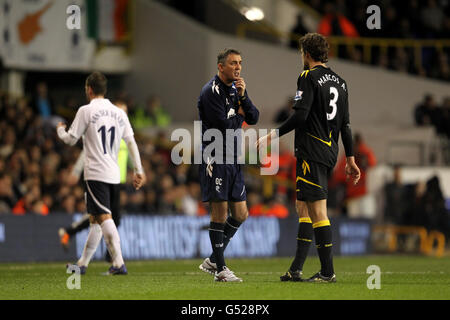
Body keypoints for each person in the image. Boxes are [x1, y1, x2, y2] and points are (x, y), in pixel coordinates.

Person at [257, 33, 360, 283]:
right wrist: (350, 158)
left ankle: (327, 272)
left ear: (307, 54)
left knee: (318, 211)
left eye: (301, 53)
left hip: (311, 151)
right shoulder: (341, 82)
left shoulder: (308, 76)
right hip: (329, 152)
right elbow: (345, 125)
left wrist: (272, 134)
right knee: (302, 206)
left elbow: (301, 116)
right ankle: (296, 269)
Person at [57, 72, 146, 275]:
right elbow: (131, 142)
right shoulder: (119, 112)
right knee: (95, 219)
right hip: (115, 174)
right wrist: (139, 170)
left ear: (89, 89)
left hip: (96, 173)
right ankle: (81, 264)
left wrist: (60, 130)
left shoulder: (86, 110)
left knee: (104, 217)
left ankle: (118, 262)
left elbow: (71, 139)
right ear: (105, 90)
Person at [197, 48, 259, 282]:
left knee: (241, 213)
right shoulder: (210, 91)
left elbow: (254, 117)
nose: (238, 67)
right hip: (216, 157)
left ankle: (213, 259)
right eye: (233, 63)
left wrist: (243, 99)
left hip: (234, 158)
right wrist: (239, 116)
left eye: (240, 63)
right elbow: (222, 126)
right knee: (220, 213)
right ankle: (221, 269)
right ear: (221, 66)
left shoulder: (236, 89)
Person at [58, 101, 131, 263]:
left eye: (125, 111)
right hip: (101, 177)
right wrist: (76, 172)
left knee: (107, 219)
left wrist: (135, 172)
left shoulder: (124, 134)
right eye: (121, 111)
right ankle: (111, 259)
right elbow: (86, 151)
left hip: (117, 181)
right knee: (101, 218)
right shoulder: (106, 130)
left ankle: (91, 260)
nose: (122, 114)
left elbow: (127, 158)